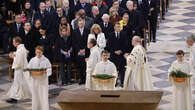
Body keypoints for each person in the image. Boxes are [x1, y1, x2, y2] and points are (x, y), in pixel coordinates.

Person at [6, 37, 31, 103]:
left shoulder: (20, 50)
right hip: (22, 69)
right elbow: (21, 54)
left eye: (13, 42)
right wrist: (14, 53)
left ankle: (14, 98)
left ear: (17, 42)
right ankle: (15, 97)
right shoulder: (21, 48)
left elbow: (19, 61)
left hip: (19, 69)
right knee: (23, 83)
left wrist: (13, 57)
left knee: (17, 83)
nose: (13, 43)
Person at [28, 46, 52, 110]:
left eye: (39, 52)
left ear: (42, 52)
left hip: (43, 81)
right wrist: (31, 72)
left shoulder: (46, 60)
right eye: (37, 52)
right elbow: (28, 69)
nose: (38, 54)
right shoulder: (32, 60)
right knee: (35, 95)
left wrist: (46, 71)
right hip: (35, 80)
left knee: (43, 95)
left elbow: (49, 68)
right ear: (35, 52)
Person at [107, 22, 126, 87]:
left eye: (119, 27)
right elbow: (109, 45)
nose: (118, 28)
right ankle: (114, 82)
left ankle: (122, 82)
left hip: (121, 55)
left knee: (122, 69)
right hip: (113, 55)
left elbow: (125, 45)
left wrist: (121, 51)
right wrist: (114, 51)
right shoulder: (110, 35)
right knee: (113, 69)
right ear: (114, 27)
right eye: (117, 27)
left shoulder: (123, 34)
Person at [72, 18, 90, 85]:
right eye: (79, 23)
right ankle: (81, 79)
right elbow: (74, 42)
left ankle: (85, 79)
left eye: (82, 23)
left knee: (85, 66)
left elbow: (89, 42)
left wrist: (84, 49)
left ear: (84, 23)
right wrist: (79, 50)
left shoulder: (88, 31)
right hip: (78, 51)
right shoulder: (74, 31)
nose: (81, 24)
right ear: (78, 24)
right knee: (79, 66)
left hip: (86, 51)